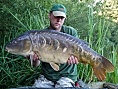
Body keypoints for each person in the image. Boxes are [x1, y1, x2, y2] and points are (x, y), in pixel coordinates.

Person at [32, 4, 79, 88]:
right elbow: (35, 65)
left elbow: (79, 54)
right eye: (56, 16)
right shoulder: (41, 35)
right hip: (48, 76)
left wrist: (76, 59)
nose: (59, 20)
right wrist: (35, 59)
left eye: (62, 18)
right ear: (49, 15)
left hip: (66, 76)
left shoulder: (71, 32)